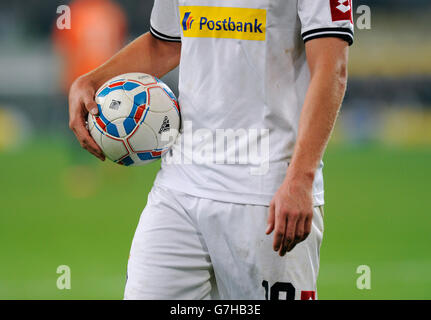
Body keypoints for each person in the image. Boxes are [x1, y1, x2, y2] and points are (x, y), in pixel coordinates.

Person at [68, 0, 353, 300]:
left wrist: (301, 179)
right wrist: (91, 81)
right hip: (181, 183)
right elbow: (163, 45)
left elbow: (331, 67)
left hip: (267, 193)